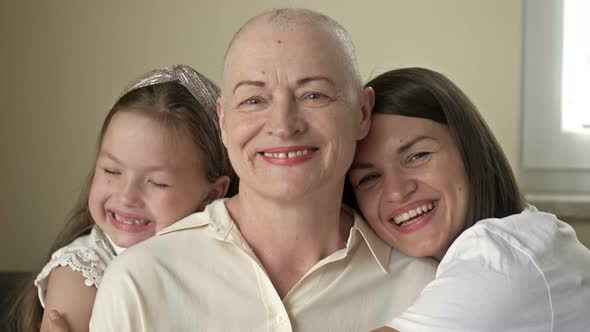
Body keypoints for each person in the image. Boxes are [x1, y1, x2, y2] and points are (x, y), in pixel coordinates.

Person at [89, 9, 437, 331]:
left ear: (362, 113)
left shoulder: (429, 289)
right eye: (254, 100)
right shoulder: (139, 282)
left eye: (314, 95)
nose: (283, 125)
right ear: (223, 121)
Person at [346, 67, 590, 331]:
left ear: (469, 147)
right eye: (369, 178)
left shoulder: (502, 258)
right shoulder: (532, 239)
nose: (396, 191)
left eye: (418, 156)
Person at [7, 64, 234, 332]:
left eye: (157, 183)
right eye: (112, 171)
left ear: (211, 195)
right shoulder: (80, 274)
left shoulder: (226, 260)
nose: (127, 196)